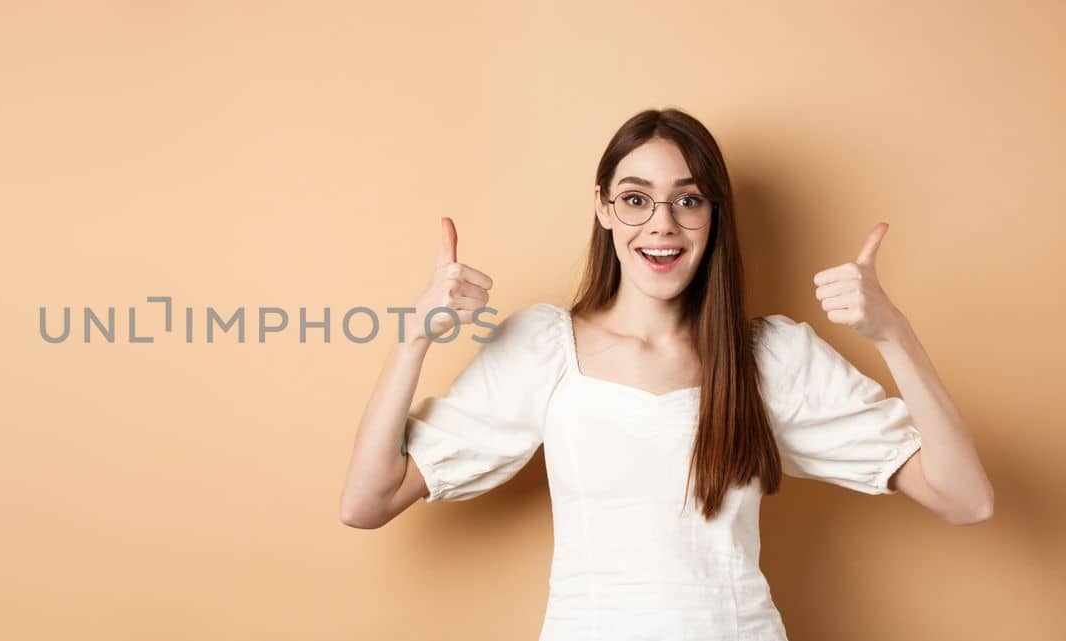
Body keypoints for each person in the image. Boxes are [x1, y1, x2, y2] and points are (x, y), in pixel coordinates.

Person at [337, 108, 993, 640]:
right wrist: (412, 339)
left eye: (688, 200)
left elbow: (966, 498)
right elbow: (367, 501)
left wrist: (893, 335)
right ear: (602, 208)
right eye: (635, 199)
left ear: (714, 217)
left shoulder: (769, 357)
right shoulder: (544, 348)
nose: (662, 225)